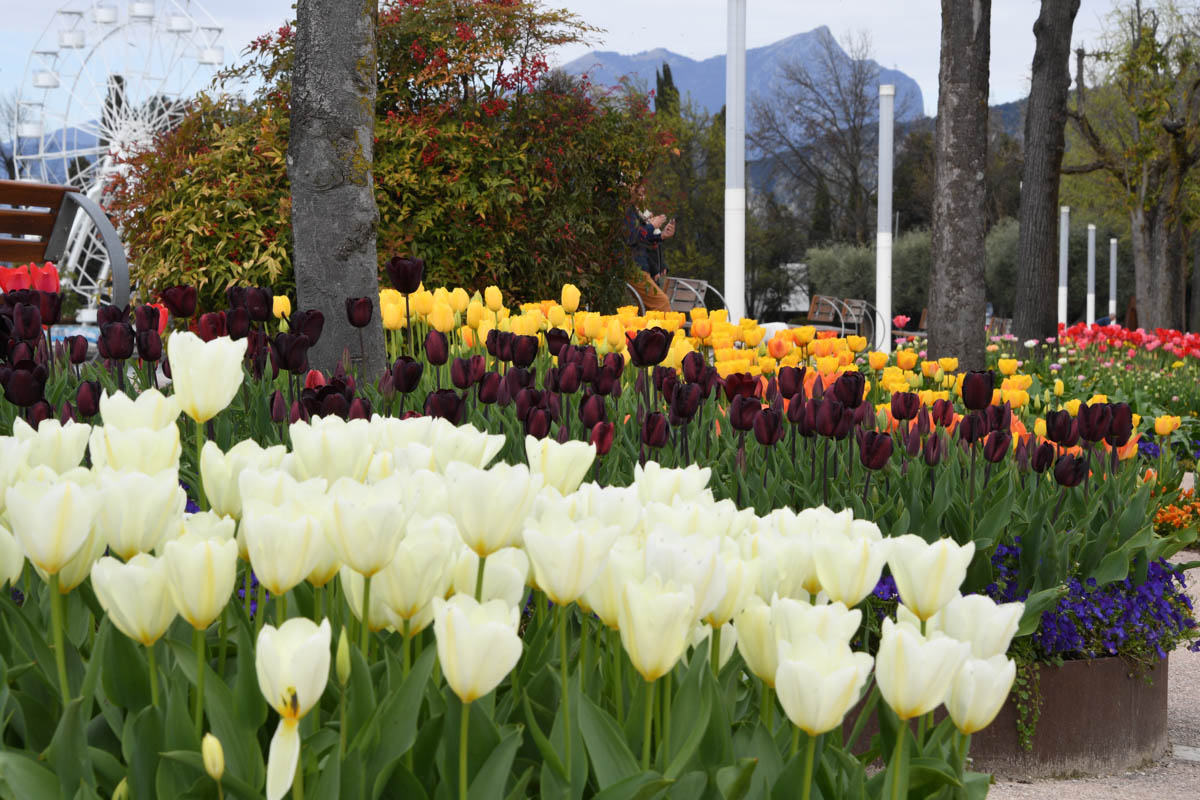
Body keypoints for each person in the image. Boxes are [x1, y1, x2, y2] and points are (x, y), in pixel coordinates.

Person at [623, 181, 675, 312]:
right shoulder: (625, 209)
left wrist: (661, 236)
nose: (643, 190)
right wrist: (652, 226)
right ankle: (662, 332)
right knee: (661, 304)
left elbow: (639, 239)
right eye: (639, 187)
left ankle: (653, 332)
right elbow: (631, 237)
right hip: (633, 269)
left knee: (652, 308)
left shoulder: (633, 210)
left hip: (639, 268)